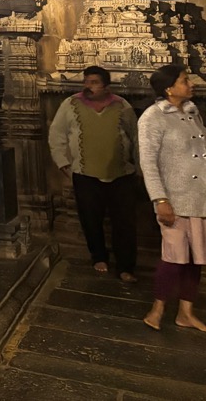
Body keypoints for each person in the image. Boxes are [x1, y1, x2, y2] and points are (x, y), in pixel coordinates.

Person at [139, 64, 206, 333]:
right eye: (185, 80)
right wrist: (160, 199)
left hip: (203, 198)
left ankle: (186, 313)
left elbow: (202, 153)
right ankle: (158, 307)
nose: (192, 84)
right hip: (175, 199)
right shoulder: (153, 117)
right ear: (169, 88)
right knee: (173, 256)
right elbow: (148, 163)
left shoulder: (191, 112)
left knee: (197, 257)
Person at [48, 65, 139, 282]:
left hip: (122, 173)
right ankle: (98, 256)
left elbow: (135, 137)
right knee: (90, 219)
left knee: (124, 222)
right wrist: (62, 163)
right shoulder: (70, 105)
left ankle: (126, 266)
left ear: (106, 86)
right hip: (85, 172)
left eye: (94, 82)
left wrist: (141, 168)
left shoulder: (122, 105)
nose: (89, 86)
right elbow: (57, 134)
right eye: (86, 82)